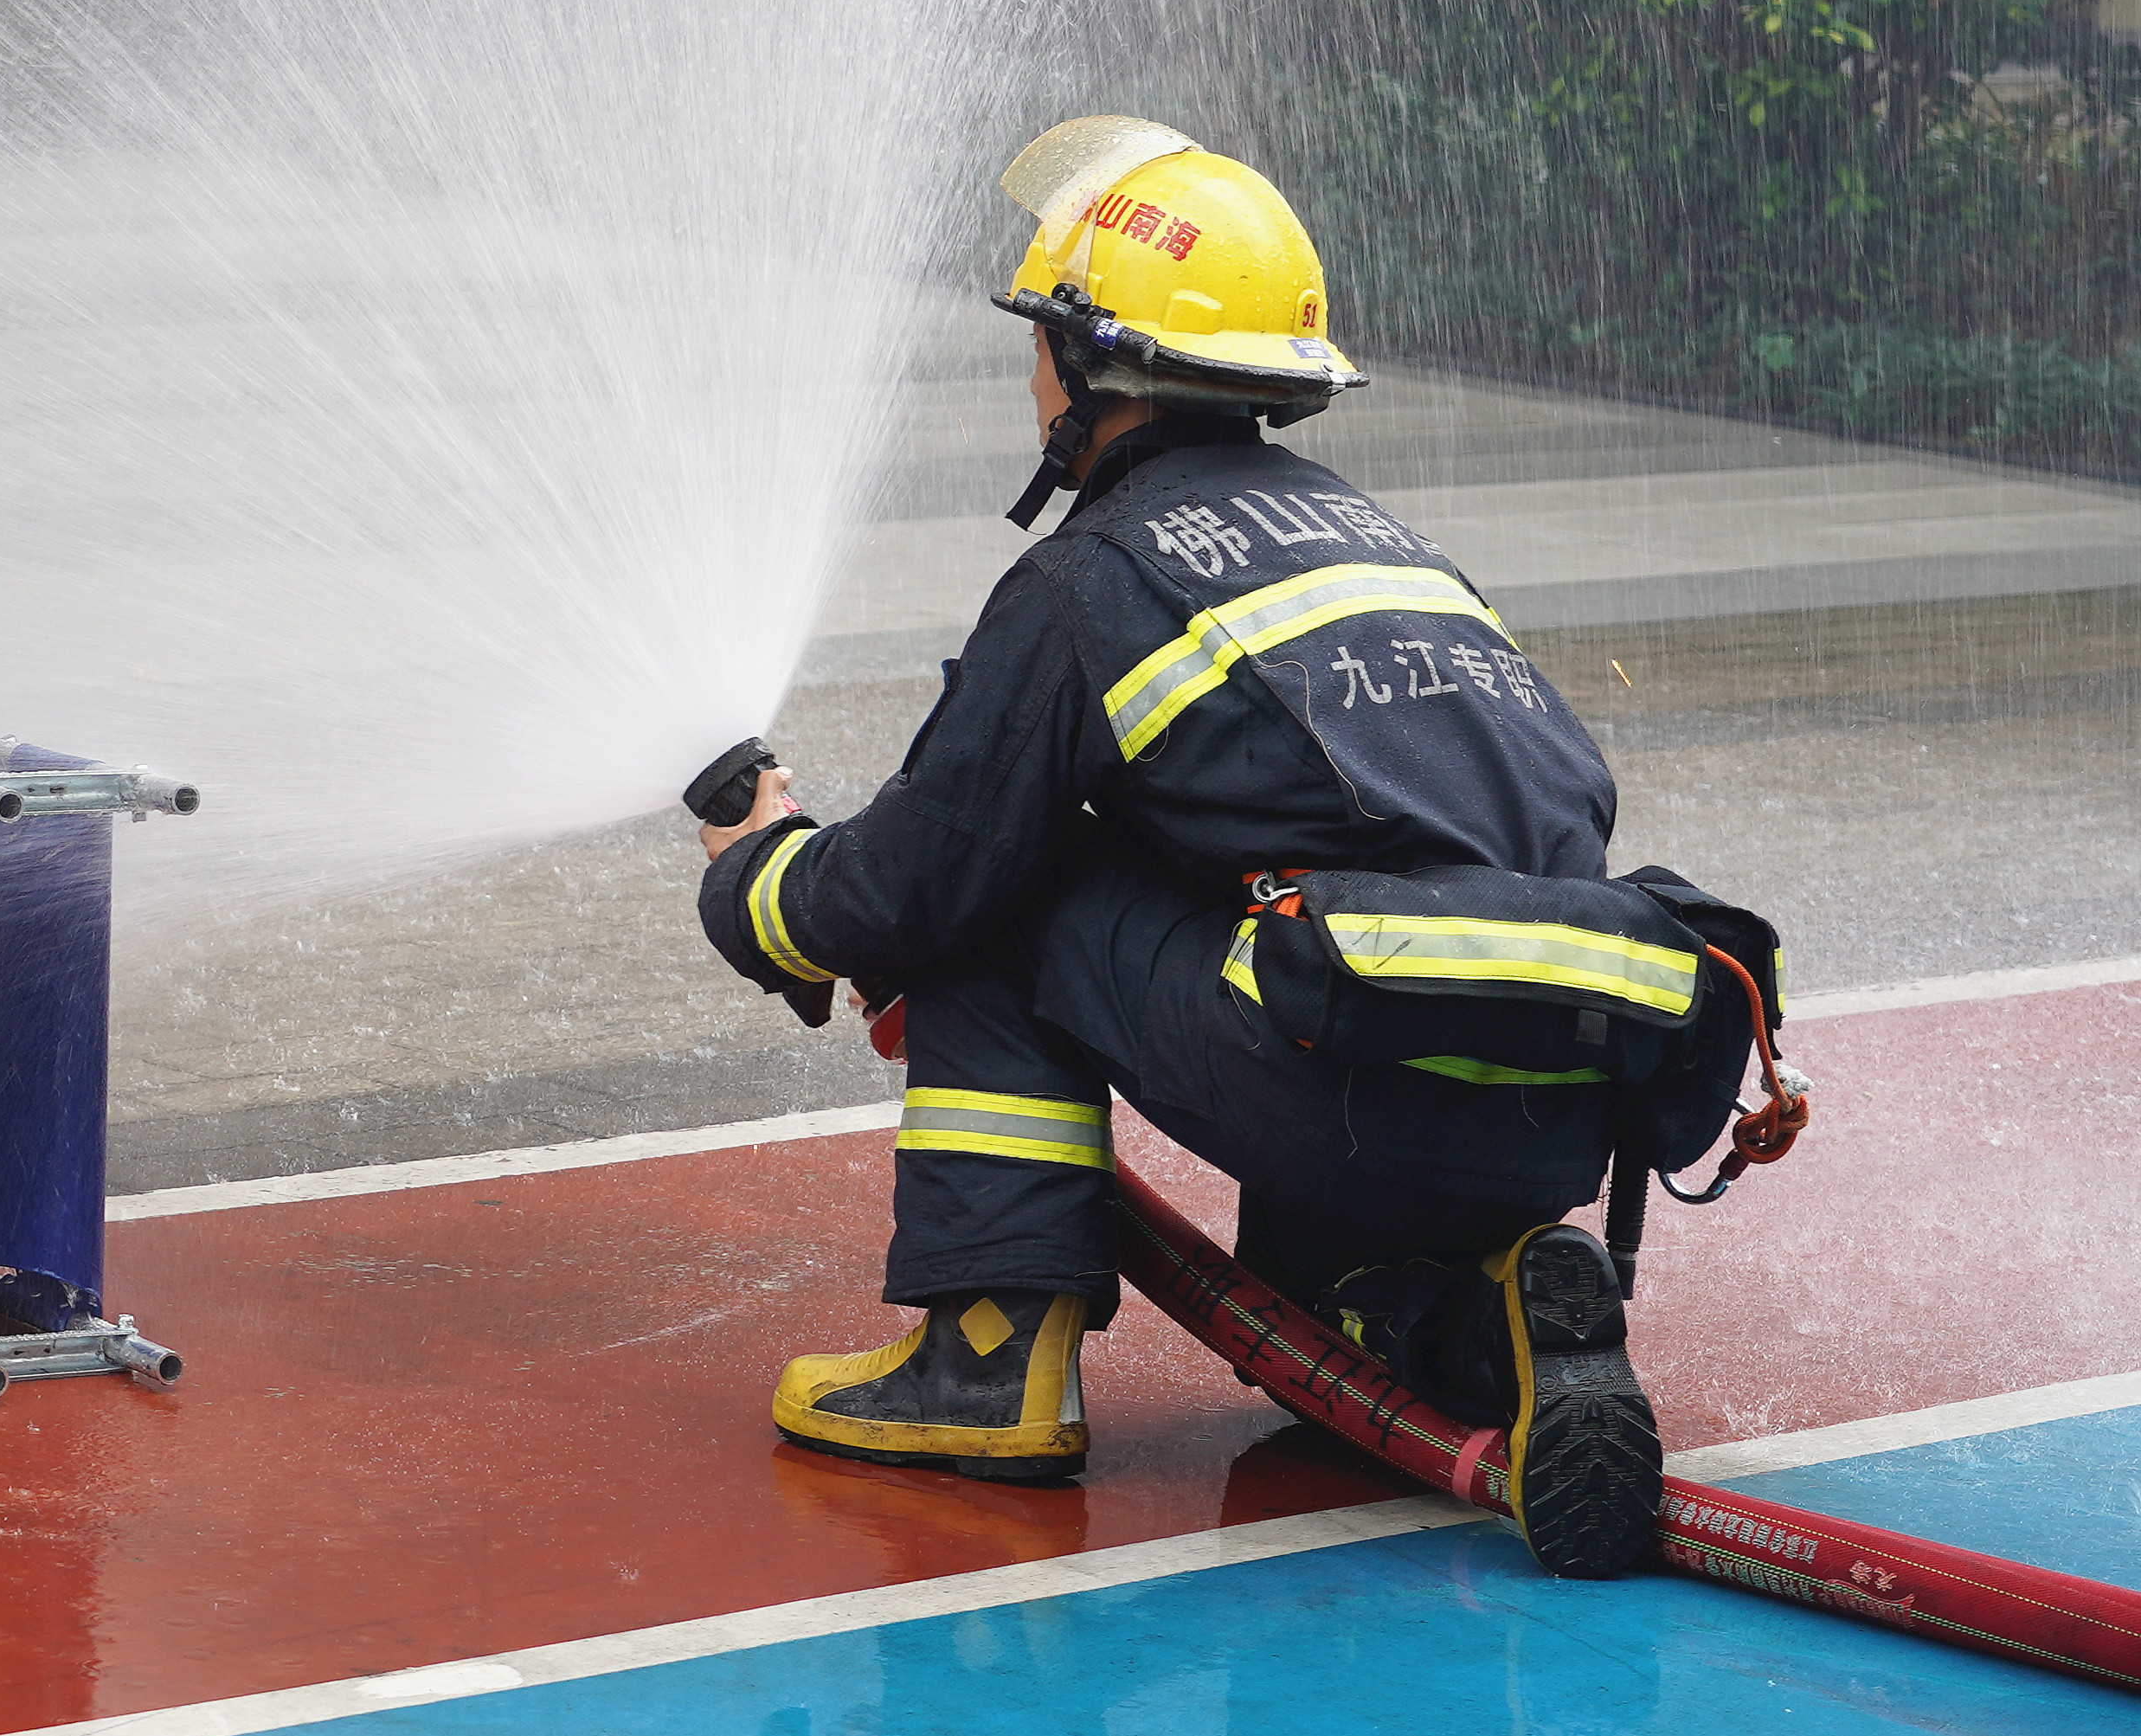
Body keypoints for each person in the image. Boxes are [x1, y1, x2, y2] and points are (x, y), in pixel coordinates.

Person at [694, 118, 1779, 1578]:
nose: (1029, 377)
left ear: (1094, 365)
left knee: (1007, 892)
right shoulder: (1385, 544)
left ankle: (988, 1360)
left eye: (1040, 345)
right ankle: (1489, 1308)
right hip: (1552, 1101)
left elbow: (914, 883)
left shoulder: (1091, 578)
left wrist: (756, 875)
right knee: (1313, 1319)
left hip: (1344, 1072)